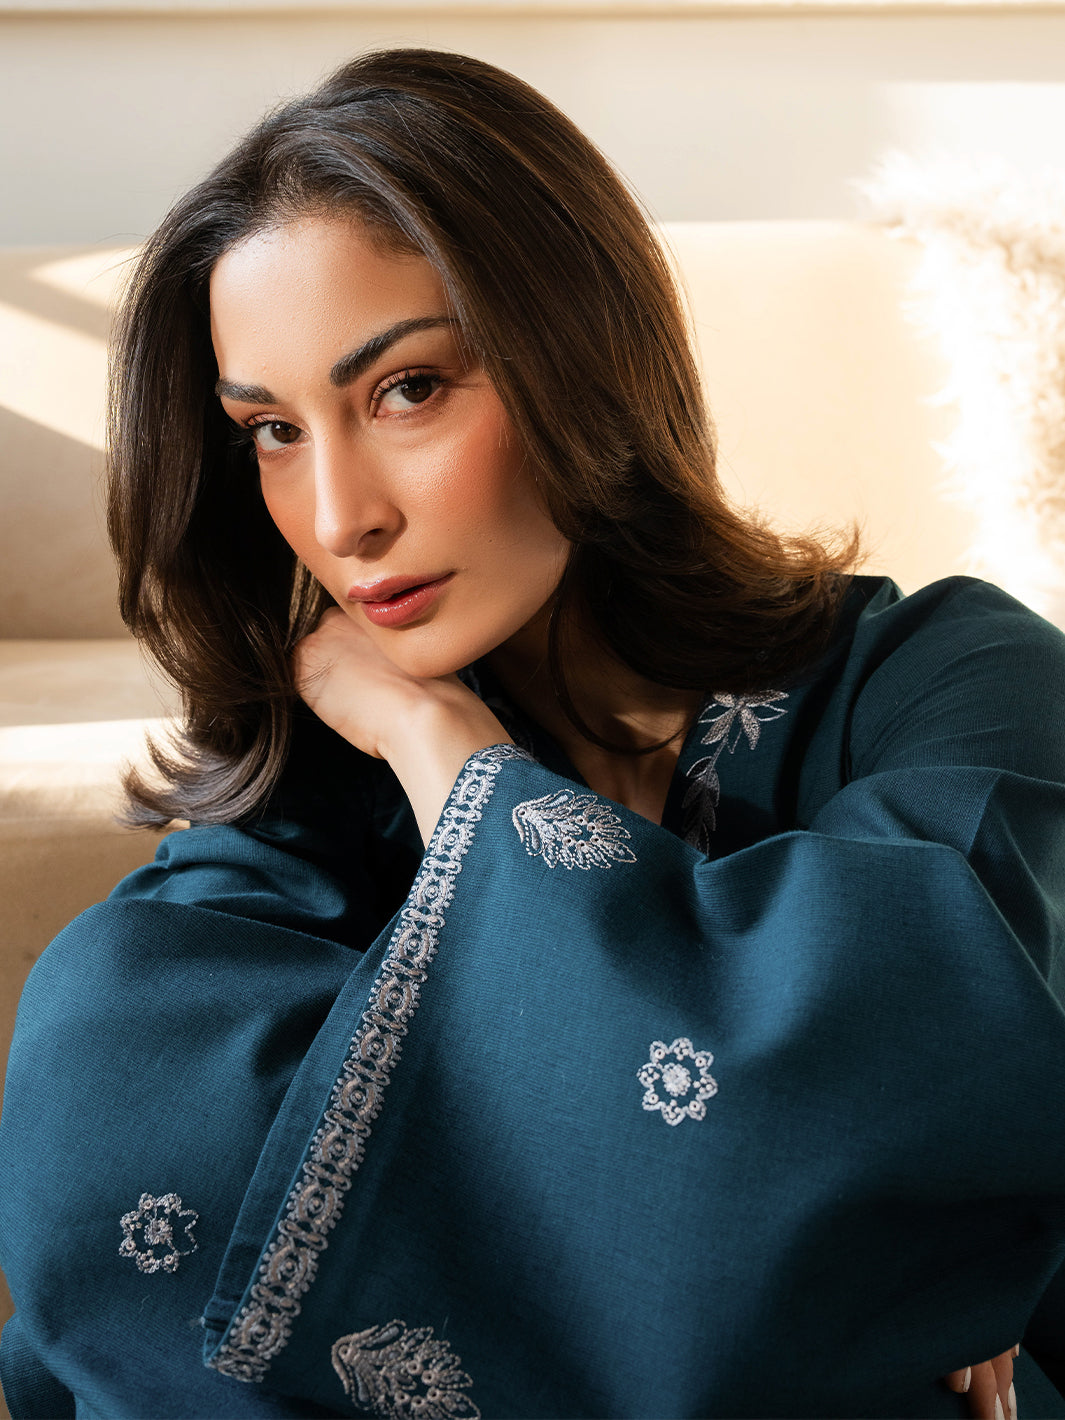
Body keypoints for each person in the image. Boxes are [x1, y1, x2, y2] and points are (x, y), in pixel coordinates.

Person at [0, 47, 1062, 1420]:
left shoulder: (958, 679)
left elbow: (916, 1083)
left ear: (587, 360)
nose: (340, 518)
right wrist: (839, 1268)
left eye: (407, 390)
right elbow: (109, 1142)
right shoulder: (322, 789)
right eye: (271, 431)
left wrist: (454, 763)